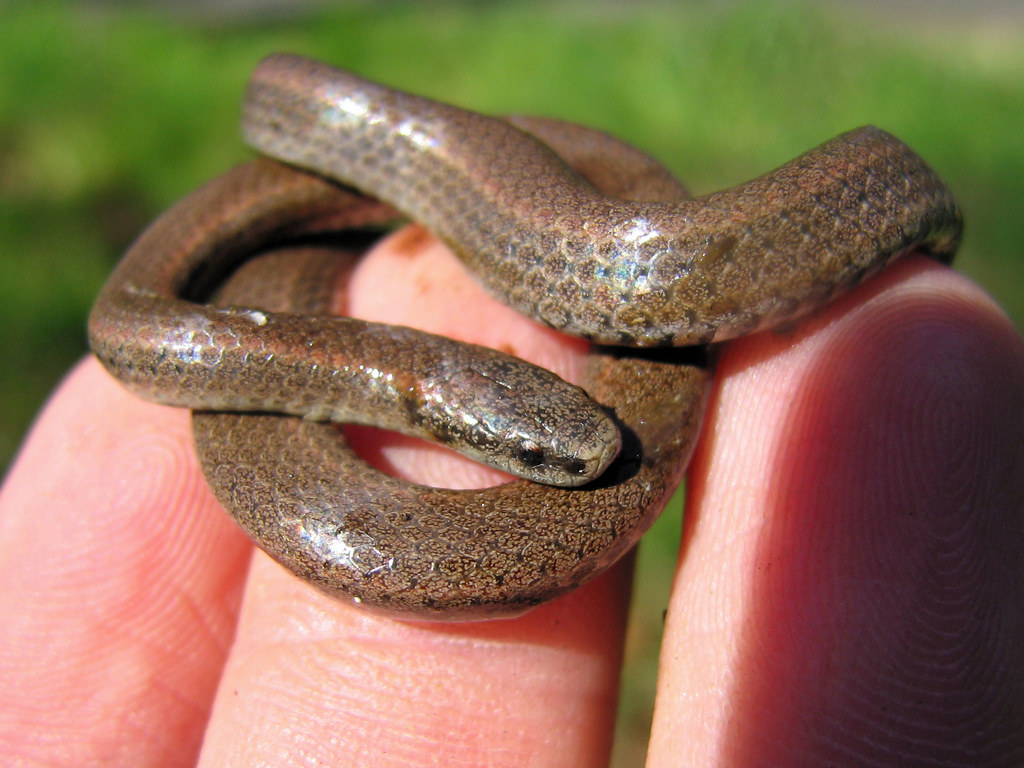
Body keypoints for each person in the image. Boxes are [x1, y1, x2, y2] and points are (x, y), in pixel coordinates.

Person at [1, 223, 1021, 767]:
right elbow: (129, 326)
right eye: (541, 457)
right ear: (446, 426)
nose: (590, 462)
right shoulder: (273, 356)